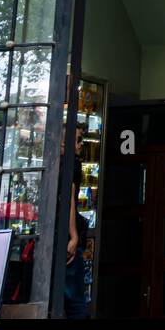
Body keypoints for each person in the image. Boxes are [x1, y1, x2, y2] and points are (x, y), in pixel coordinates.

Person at [64, 126, 90, 319]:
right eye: (79, 140)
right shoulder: (71, 163)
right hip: (67, 238)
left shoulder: (55, 162)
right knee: (75, 301)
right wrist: (73, 235)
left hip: (56, 237)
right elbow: (69, 198)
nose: (82, 144)